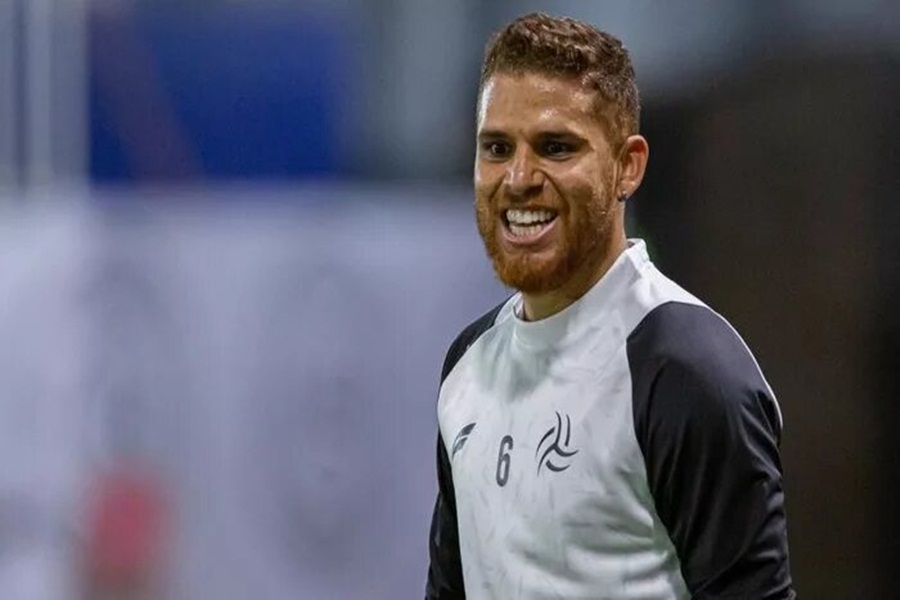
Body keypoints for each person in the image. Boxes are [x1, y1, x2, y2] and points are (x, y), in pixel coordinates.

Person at [425, 12, 795, 600]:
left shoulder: (686, 370)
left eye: (556, 148)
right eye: (496, 148)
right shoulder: (466, 366)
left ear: (628, 166)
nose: (518, 178)